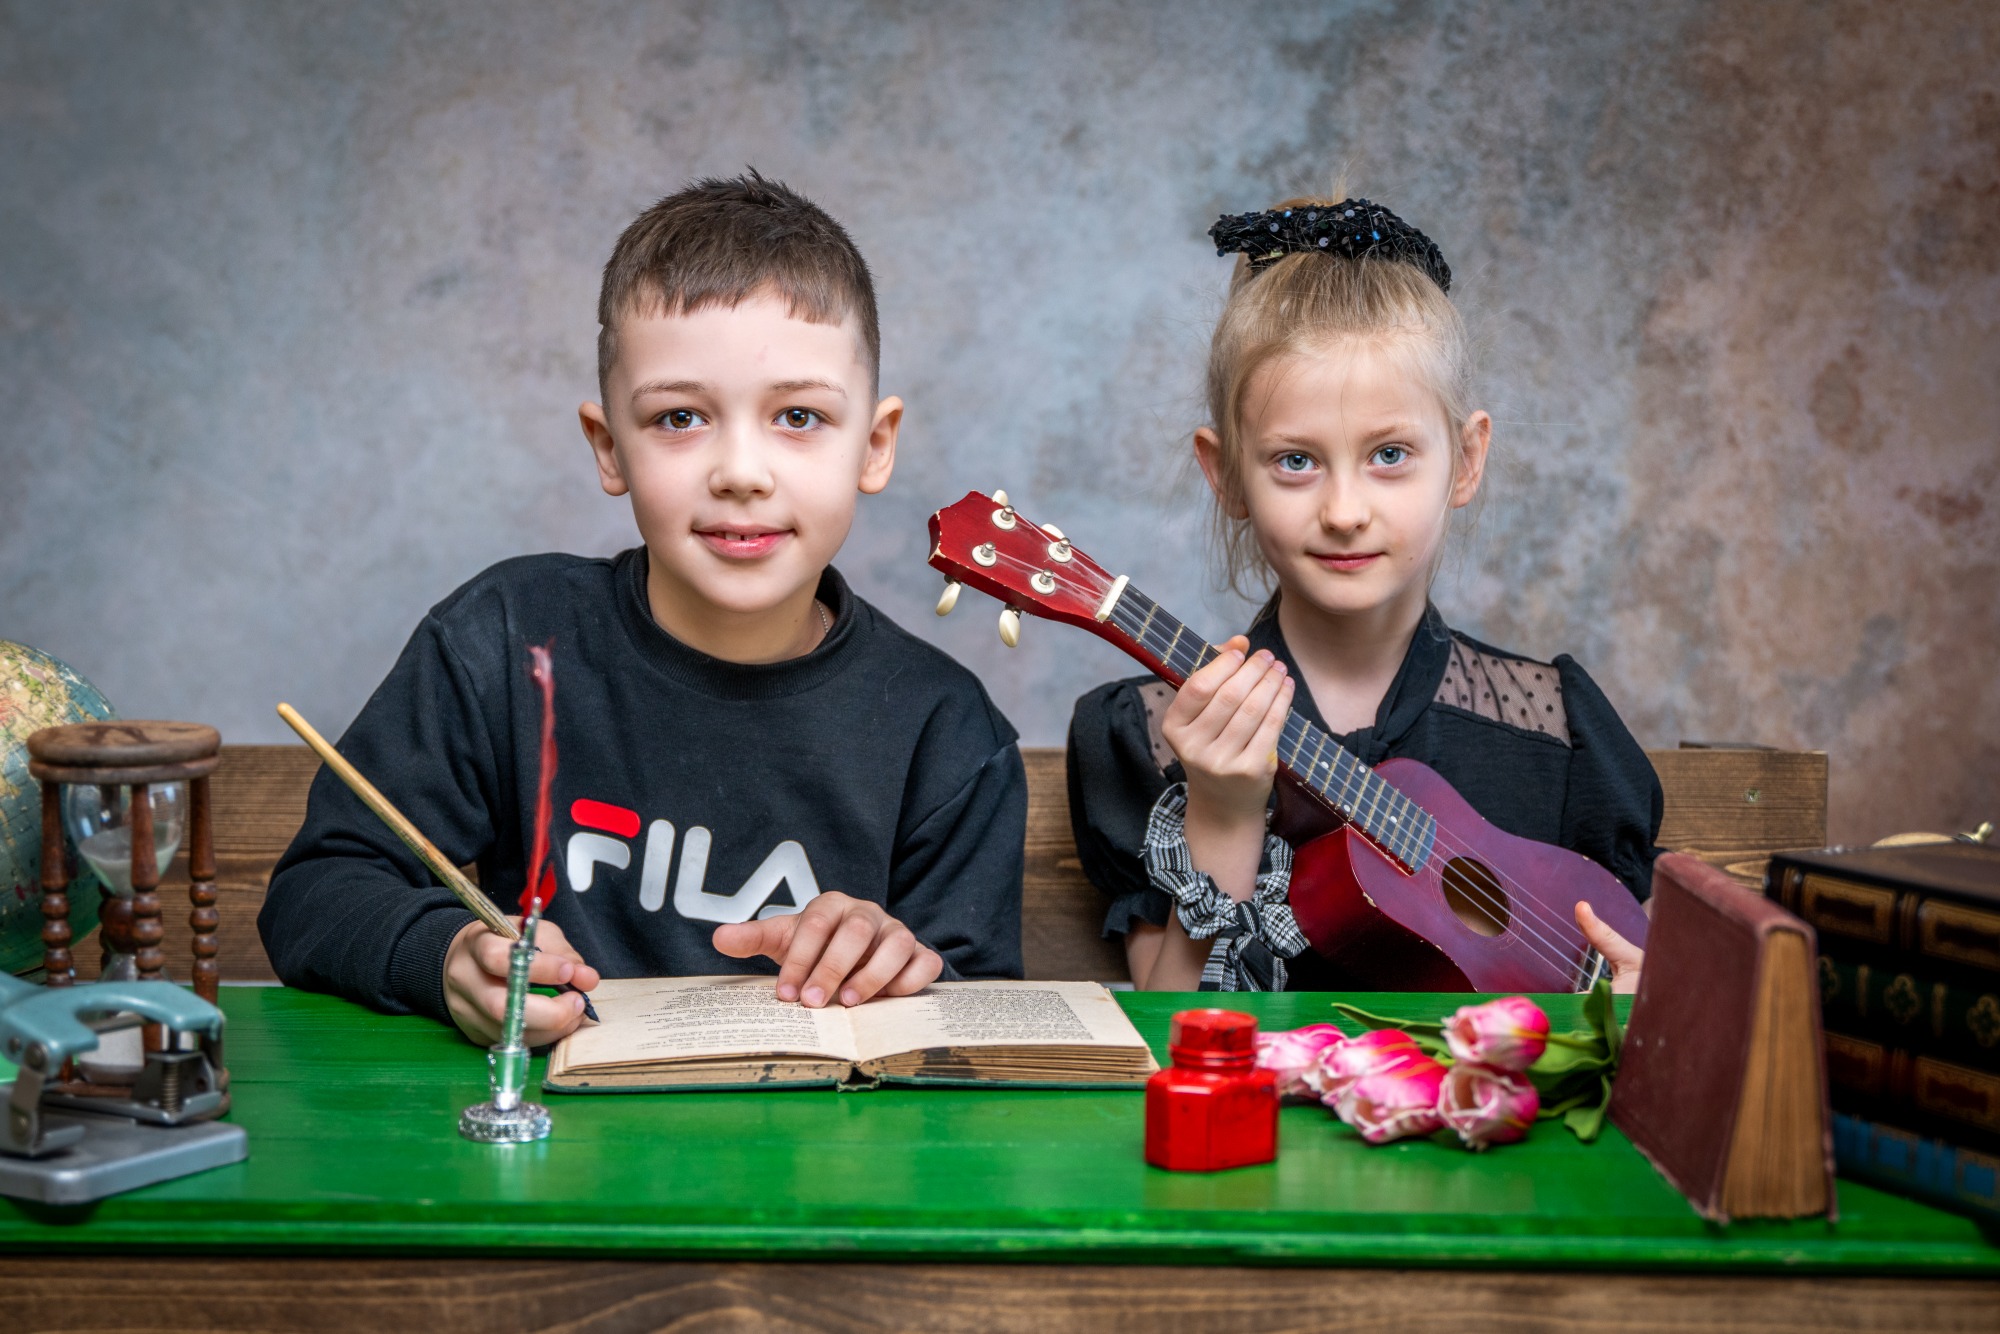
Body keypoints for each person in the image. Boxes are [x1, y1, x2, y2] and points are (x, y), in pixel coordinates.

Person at [263, 173, 1027, 1046]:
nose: (741, 472)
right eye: (679, 419)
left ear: (875, 445)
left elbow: (979, 1025)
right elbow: (316, 893)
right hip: (552, 1124)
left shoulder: (946, 732)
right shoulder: (507, 641)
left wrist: (900, 968)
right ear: (608, 447)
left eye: (799, 415)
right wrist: (444, 956)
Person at [1066, 196, 1654, 993]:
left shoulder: (1559, 732)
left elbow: (1638, 967)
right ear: (1226, 473)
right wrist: (1225, 813)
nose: (1345, 512)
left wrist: (1646, 998)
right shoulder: (1156, 734)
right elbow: (1174, 1026)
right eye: (1296, 462)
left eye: (1390, 454)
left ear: (1466, 460)